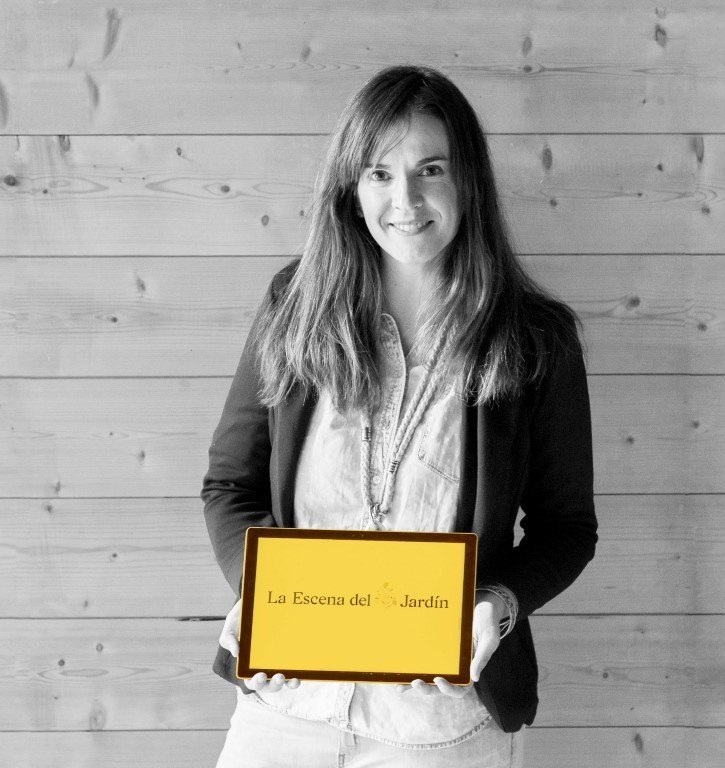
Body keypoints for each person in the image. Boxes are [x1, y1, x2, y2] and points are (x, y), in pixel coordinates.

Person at [201, 64, 597, 767]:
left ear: (467, 180)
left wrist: (499, 605)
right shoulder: (294, 306)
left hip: (442, 725)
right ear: (351, 190)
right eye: (380, 173)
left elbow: (566, 530)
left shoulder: (535, 338)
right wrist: (259, 595)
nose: (405, 200)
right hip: (285, 709)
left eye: (430, 170)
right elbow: (230, 487)